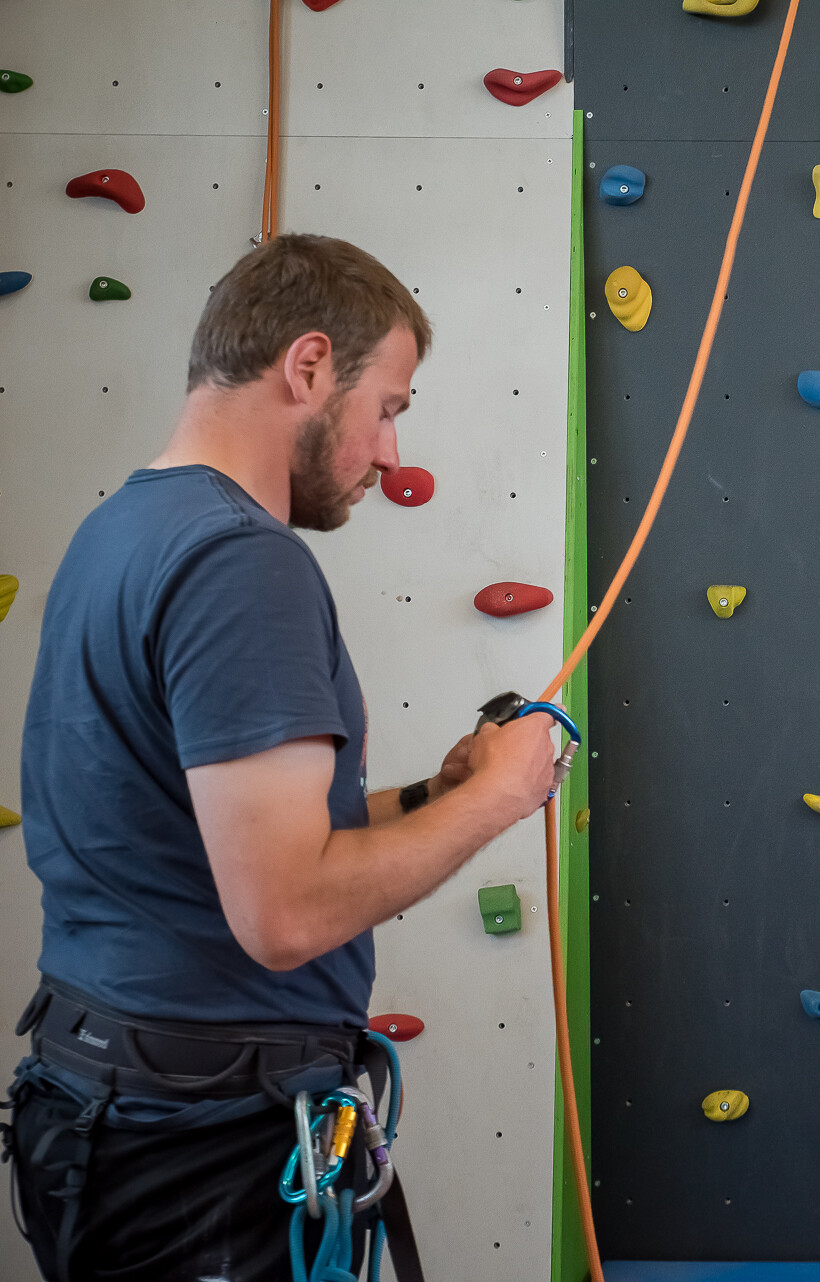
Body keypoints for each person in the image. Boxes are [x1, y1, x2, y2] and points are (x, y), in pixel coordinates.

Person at [1, 234, 560, 1282]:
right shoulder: (243, 562)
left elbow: (197, 829)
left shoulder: (121, 527)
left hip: (108, 1097)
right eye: (388, 406)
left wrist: (430, 797)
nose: (391, 452)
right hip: (198, 1145)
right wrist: (500, 798)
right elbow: (286, 912)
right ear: (308, 368)